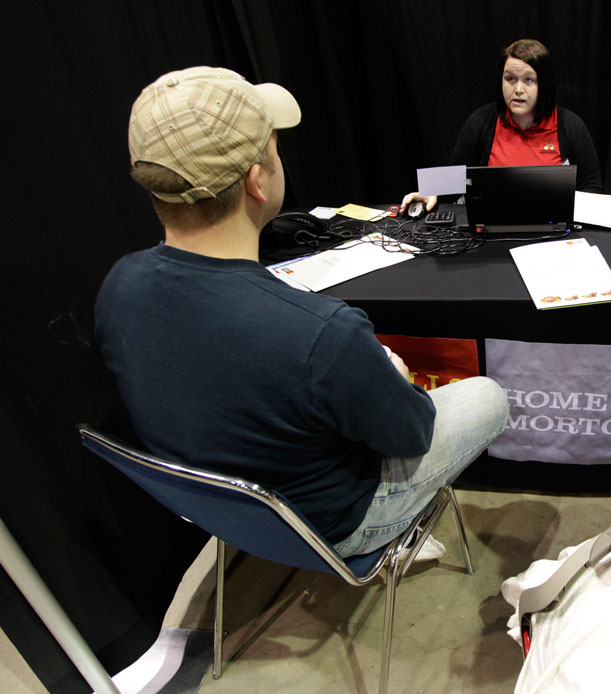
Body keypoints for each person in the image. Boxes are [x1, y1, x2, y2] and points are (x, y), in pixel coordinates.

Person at [96, 66, 509, 560]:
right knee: (488, 395)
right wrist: (394, 380)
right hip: (331, 527)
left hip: (219, 515)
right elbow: (412, 433)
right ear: (256, 182)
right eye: (274, 148)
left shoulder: (119, 284)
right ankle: (394, 532)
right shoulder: (322, 331)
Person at [402, 38, 602, 213]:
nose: (518, 89)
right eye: (510, 79)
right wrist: (430, 191)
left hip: (554, 231)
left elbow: (592, 187)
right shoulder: (481, 121)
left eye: (529, 80)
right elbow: (457, 176)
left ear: (545, 84)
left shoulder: (571, 126)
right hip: (491, 231)